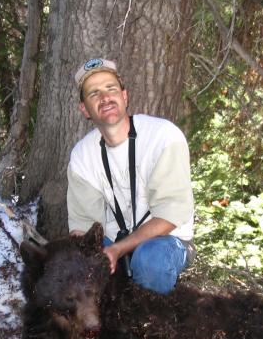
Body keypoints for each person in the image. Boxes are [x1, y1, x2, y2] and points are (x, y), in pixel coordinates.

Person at [67, 58, 195, 295]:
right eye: (94, 93)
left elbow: (170, 216)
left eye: (111, 88)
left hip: (166, 241)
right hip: (112, 243)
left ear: (124, 96)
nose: (105, 98)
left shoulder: (163, 136)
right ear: (84, 109)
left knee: (150, 261)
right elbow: (83, 227)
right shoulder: (82, 156)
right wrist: (88, 260)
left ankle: (154, 316)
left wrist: (119, 250)